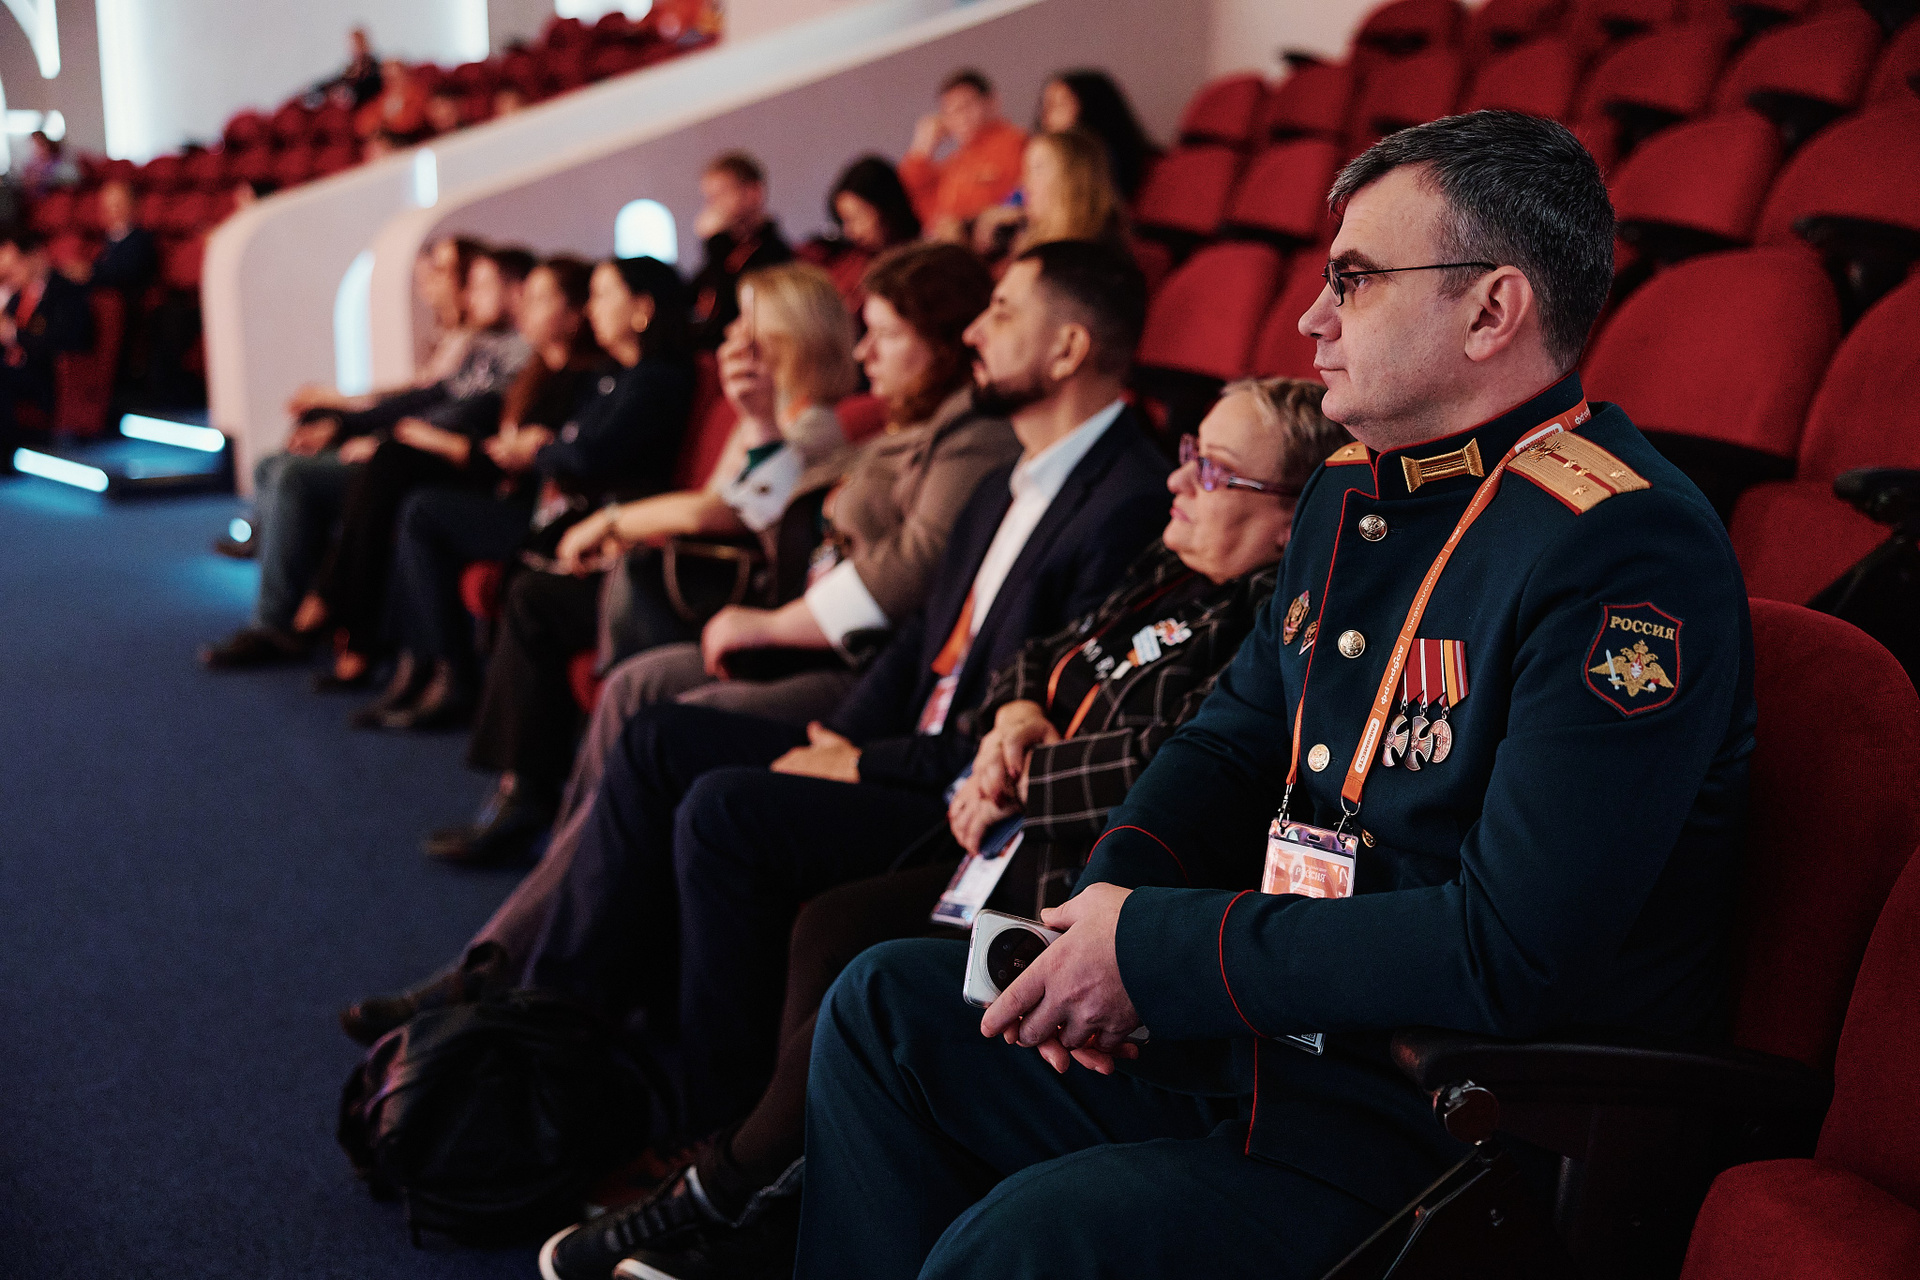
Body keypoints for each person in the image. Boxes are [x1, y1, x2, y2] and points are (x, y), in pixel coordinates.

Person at [795, 110, 1758, 1280]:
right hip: (1267, 1042)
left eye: (1353, 279)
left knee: (1023, 1240)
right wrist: (1108, 905)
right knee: (883, 1009)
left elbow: (1508, 948)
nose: (1311, 317)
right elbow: (1228, 739)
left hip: (1438, 1127)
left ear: (1490, 311)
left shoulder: (1622, 546)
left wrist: (1156, 950)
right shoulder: (1349, 491)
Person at [562, 379, 1351, 1280]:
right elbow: (1037, 654)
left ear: (1291, 519)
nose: (1181, 482)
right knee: (830, 927)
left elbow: (1175, 757)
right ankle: (751, 1190)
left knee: (860, 960)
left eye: (1214, 472)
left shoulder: (1262, 615)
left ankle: (729, 1199)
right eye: (1188, 456)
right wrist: (1014, 716)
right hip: (1010, 828)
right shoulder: (1168, 565)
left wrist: (1017, 782)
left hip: (1072, 871)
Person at [526, 238, 1172, 1280]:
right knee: (659, 734)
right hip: (906, 748)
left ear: (1067, 347)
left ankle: (718, 1147)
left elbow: (1033, 712)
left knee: (727, 814)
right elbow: (923, 644)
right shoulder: (1010, 477)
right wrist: (843, 741)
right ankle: (572, 1030)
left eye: (1002, 312)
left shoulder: (1127, 497)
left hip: (966, 796)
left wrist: (865, 769)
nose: (975, 330)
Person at [416, 243, 1010, 869]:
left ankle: (560, 852)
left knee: (627, 685)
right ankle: (564, 863)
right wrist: (756, 423)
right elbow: (759, 507)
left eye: (748, 333)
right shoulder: (878, 425)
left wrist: (622, 524)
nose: (730, 342)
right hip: (778, 606)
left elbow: (738, 513)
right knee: (618, 671)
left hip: (804, 628)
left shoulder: (861, 424)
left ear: (788, 340)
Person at [350, 255, 607, 730]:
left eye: (540, 298)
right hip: (515, 495)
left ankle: (448, 673)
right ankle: (420, 665)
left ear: (575, 315)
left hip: (546, 515)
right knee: (411, 498)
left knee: (422, 510)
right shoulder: (536, 374)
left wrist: (505, 450)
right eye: (526, 296)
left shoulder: (587, 378)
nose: (524, 307)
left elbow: (562, 458)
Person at [201, 237, 481, 664]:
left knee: (292, 474)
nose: (427, 283)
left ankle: (275, 623)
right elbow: (413, 396)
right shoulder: (451, 336)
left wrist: (363, 425)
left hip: (409, 456)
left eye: (441, 272)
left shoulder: (478, 347)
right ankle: (279, 567)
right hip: (398, 439)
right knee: (271, 462)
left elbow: (434, 409)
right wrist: (343, 408)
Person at [305, 246, 535, 688]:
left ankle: (342, 615)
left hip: (475, 464)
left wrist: (384, 433)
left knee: (391, 471)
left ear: (516, 290)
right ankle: (348, 619)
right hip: (444, 448)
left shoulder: (523, 354)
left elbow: (472, 413)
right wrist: (346, 420)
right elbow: (428, 396)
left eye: (480, 285)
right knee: (385, 473)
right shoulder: (484, 345)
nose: (469, 295)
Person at [0, 228, 93, 470]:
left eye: (14, 265)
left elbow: (63, 342)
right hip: (15, 372)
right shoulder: (19, 295)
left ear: (33, 256)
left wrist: (14, 334)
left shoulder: (65, 292)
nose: (9, 274)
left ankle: (6, 460)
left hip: (47, 378)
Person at [899, 69, 1028, 242]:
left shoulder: (1017, 143)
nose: (960, 117)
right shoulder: (954, 164)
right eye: (950, 111)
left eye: (966, 106)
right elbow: (914, 198)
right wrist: (922, 147)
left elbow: (1020, 201)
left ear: (992, 102)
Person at [971, 129, 1126, 273]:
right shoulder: (1032, 241)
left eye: (1038, 169)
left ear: (1073, 178)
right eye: (1027, 170)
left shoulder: (1083, 258)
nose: (1025, 182)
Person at [688, 151, 793, 350]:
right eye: (709, 198)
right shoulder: (725, 248)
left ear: (753, 193)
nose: (712, 207)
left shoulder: (772, 251)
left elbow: (730, 304)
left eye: (720, 195)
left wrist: (714, 241)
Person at [796, 155, 922, 317]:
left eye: (857, 217)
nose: (849, 231)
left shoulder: (920, 260)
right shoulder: (849, 259)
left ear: (885, 207)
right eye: (844, 221)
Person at [1037, 70, 1157, 203]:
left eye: (1059, 104)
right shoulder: (1041, 156)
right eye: (1045, 105)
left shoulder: (1103, 162)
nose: (1046, 114)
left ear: (1091, 108)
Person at [354, 59, 430, 144]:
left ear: (406, 74)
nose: (393, 83)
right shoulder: (382, 98)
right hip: (390, 144)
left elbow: (410, 122)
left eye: (396, 77)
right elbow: (362, 125)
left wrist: (385, 125)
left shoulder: (418, 93)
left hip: (415, 142)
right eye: (389, 79)